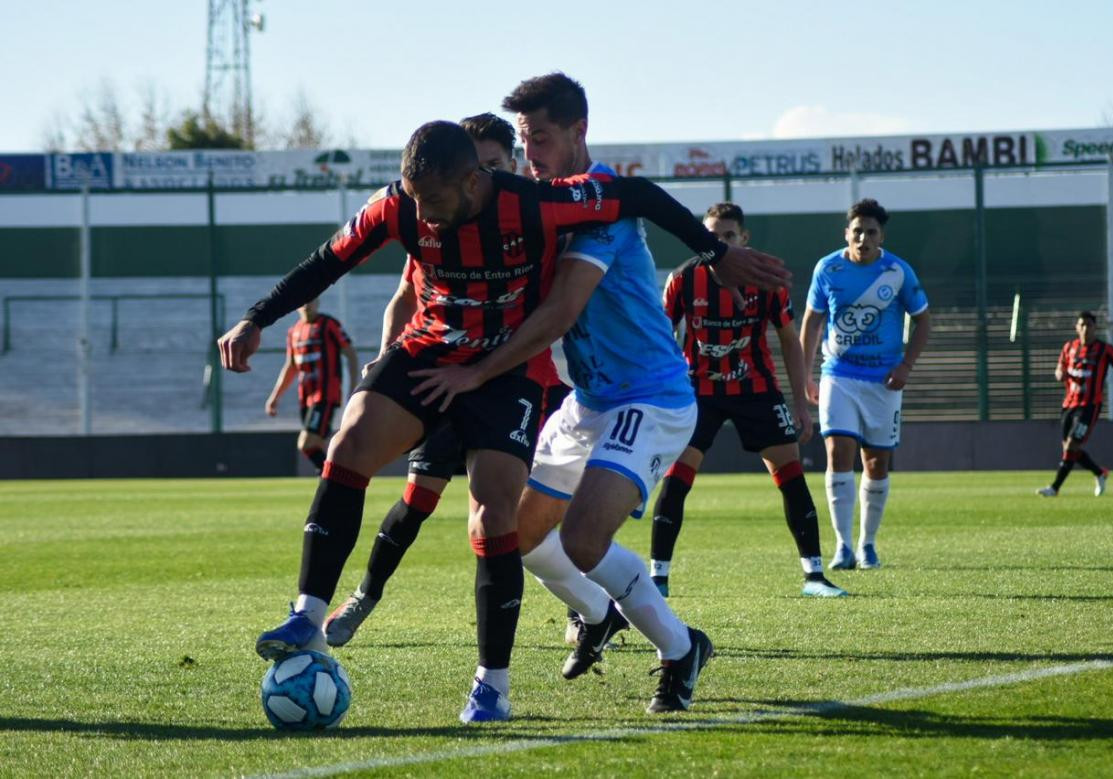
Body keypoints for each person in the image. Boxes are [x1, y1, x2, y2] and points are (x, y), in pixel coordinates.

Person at [218, 118, 787, 724]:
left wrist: (718, 253)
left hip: (503, 370)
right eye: (416, 199)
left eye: (435, 201)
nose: (425, 215)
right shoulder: (397, 206)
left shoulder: (532, 204)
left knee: (496, 512)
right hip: (433, 351)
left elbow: (638, 196)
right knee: (350, 440)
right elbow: (325, 262)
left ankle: (492, 687)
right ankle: (308, 615)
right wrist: (257, 318)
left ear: (472, 181)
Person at [410, 73, 789, 714]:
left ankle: (679, 649)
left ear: (579, 131)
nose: (533, 156)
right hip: (590, 400)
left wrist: (475, 375)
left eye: (543, 139)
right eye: (524, 143)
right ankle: (595, 612)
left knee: (584, 538)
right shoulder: (541, 201)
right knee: (514, 532)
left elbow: (559, 314)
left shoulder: (599, 211)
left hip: (652, 396)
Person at [324, 113, 569, 647]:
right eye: (476, 164)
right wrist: (387, 359)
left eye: (493, 165)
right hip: (443, 376)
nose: (483, 175)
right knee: (418, 498)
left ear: (511, 166)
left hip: (527, 383)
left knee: (522, 514)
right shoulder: (438, 222)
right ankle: (364, 594)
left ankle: (583, 607)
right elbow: (407, 297)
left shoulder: (536, 217)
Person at [649, 202, 846, 599]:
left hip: (755, 389)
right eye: (712, 236)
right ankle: (659, 579)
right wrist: (661, 394)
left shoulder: (766, 279)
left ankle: (815, 577)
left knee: (791, 477)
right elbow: (657, 336)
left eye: (728, 236)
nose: (719, 243)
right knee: (676, 482)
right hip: (697, 392)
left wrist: (800, 402)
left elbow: (789, 339)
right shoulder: (683, 279)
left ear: (744, 238)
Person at [798, 199, 930, 571]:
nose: (863, 237)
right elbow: (811, 323)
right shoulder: (828, 268)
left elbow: (924, 322)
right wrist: (807, 375)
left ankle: (867, 544)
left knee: (876, 462)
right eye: (857, 230)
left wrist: (906, 365)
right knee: (838, 452)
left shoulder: (897, 271)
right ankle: (841, 546)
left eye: (871, 232)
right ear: (847, 233)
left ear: (881, 236)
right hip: (838, 375)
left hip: (884, 383)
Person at [1036, 310, 1113, 497]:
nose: (1086, 329)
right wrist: (1059, 374)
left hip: (1089, 406)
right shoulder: (1069, 347)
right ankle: (1100, 473)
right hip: (1069, 404)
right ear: (1077, 328)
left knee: (1071, 446)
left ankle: (1054, 488)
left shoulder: (1104, 349)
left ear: (1095, 328)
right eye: (1082, 325)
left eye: (1089, 325)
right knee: (1070, 450)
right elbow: (1059, 370)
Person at [264, 298, 358, 472]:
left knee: (306, 443)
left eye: (311, 301)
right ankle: (331, 480)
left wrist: (353, 387)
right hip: (305, 397)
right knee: (319, 445)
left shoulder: (328, 324)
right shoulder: (294, 331)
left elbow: (350, 353)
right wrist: (275, 397)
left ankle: (333, 477)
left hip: (325, 396)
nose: (307, 305)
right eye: (303, 302)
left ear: (318, 303)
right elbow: (291, 366)